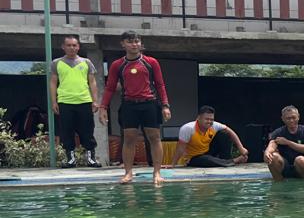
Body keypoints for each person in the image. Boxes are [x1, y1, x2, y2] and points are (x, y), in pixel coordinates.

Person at [98, 31, 170, 184]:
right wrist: (103, 107)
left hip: (149, 103)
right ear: (123, 44)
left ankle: (157, 172)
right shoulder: (118, 65)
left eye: (137, 41)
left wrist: (165, 105)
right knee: (129, 139)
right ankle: (128, 172)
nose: (134, 44)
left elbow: (160, 84)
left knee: (155, 138)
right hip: (129, 105)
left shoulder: (151, 62)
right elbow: (110, 87)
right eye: (130, 42)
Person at [49, 34, 101, 167]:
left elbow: (92, 82)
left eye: (74, 45)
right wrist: (54, 101)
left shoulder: (86, 62)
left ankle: (91, 159)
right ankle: (70, 159)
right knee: (66, 131)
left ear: (78, 47)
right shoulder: (56, 63)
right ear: (63, 47)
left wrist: (95, 101)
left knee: (87, 130)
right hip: (65, 102)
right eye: (69, 45)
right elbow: (53, 82)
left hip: (84, 101)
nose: (72, 48)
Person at [171, 106, 250, 167]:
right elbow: (180, 148)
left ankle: (226, 160)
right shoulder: (188, 128)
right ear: (198, 118)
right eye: (207, 119)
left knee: (224, 134)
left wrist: (241, 148)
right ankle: (234, 161)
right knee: (206, 160)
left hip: (208, 152)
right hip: (194, 158)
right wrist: (173, 165)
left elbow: (230, 131)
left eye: (211, 119)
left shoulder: (214, 125)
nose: (209, 122)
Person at [264, 105, 304, 181]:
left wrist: (287, 142)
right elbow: (272, 144)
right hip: (285, 165)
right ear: (283, 119)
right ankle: (278, 184)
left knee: (300, 160)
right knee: (272, 156)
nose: (291, 120)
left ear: (298, 117)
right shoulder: (279, 132)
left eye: (293, 117)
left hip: (303, 165)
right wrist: (267, 152)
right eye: (288, 118)